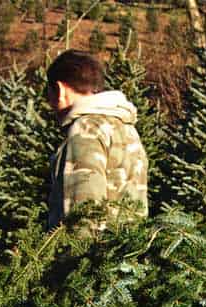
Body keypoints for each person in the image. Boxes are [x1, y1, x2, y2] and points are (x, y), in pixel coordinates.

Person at [46, 49, 148, 227]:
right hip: (128, 248)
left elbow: (84, 215)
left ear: (60, 90)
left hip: (94, 252)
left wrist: (78, 253)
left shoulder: (85, 130)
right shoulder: (126, 127)